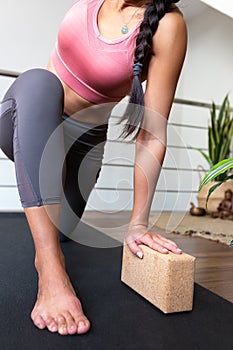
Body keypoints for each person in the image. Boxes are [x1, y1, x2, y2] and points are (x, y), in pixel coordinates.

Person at [0, 0, 187, 336]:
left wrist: (138, 223)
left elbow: (151, 134)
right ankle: (50, 267)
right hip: (27, 121)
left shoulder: (167, 25)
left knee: (66, 228)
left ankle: (56, 232)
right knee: (39, 81)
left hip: (81, 153)